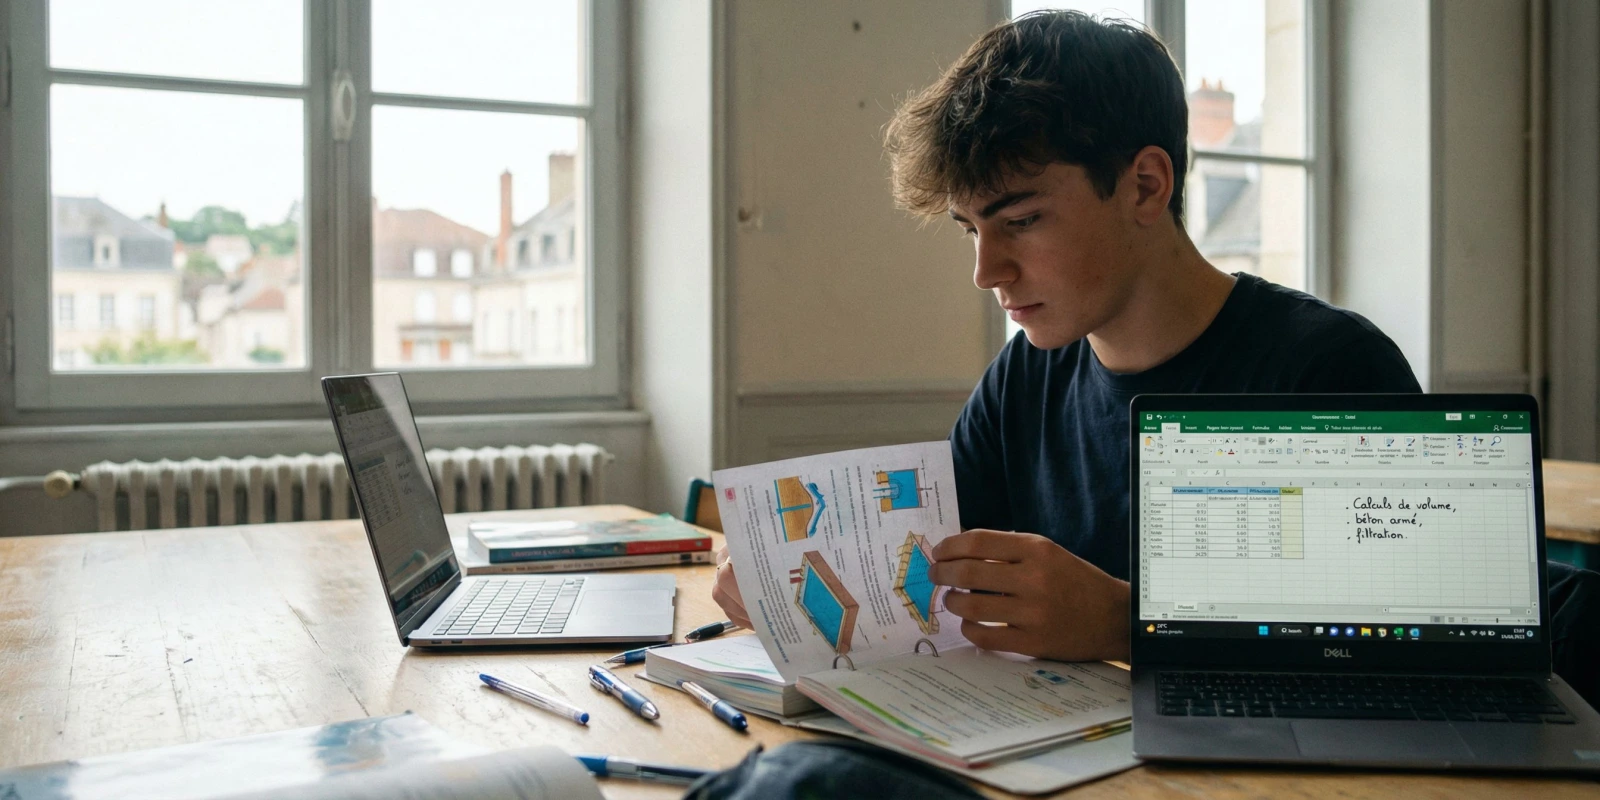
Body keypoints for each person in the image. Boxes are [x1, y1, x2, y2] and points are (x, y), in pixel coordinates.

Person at [711, 9, 1600, 704]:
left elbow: (1427, 658)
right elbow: (939, 586)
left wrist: (1124, 622)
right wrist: (784, 590)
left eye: (1020, 220)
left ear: (1145, 184)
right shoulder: (1024, 378)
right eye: (970, 231)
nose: (988, 271)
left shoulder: (1326, 369)